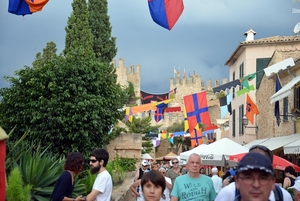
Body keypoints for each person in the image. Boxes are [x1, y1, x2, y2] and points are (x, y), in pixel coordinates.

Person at [215, 145, 293, 201]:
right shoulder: (229, 194)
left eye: (263, 178)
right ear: (237, 181)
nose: (256, 185)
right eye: (248, 177)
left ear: (272, 182)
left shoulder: (282, 196)